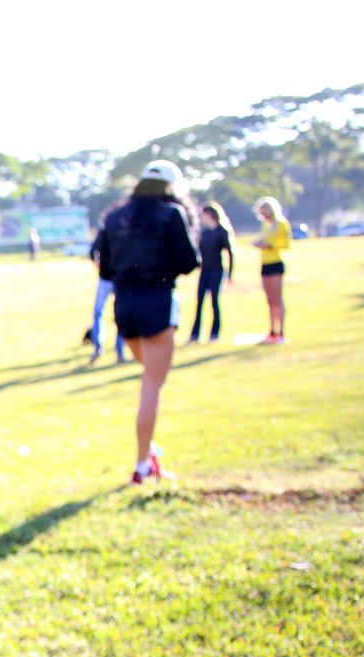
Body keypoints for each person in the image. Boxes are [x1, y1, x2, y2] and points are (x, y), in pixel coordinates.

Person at [99, 159, 200, 485]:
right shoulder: (171, 214)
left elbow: (104, 267)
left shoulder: (116, 216)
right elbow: (189, 261)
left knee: (150, 377)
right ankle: (143, 464)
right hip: (157, 302)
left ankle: (148, 450)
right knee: (152, 384)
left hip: (124, 307)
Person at [189, 202, 235, 344]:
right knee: (199, 302)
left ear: (210, 215)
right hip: (205, 271)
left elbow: (230, 253)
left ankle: (214, 333)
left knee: (214, 302)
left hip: (216, 271)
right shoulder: (205, 233)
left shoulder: (221, 231)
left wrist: (230, 274)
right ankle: (195, 334)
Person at [251, 196, 292, 344]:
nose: (263, 214)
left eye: (265, 211)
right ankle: (272, 331)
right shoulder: (266, 225)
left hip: (275, 263)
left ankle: (281, 332)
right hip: (265, 263)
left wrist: (270, 246)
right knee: (270, 301)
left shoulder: (281, 223)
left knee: (277, 298)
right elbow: (264, 239)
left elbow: (286, 244)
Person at [86, 223, 126, 364]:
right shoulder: (124, 231)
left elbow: (93, 252)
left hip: (106, 278)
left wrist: (99, 264)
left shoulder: (106, 229)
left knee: (99, 312)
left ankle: (99, 347)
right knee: (119, 314)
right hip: (118, 279)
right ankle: (119, 351)